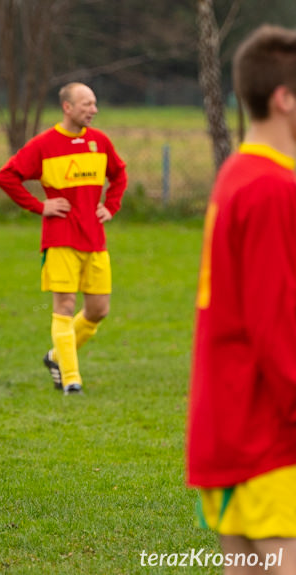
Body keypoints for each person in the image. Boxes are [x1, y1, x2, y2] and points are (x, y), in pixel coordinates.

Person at [187, 25, 296, 573]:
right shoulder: (272, 188)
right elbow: (278, 332)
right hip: (269, 437)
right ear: (284, 98)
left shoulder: (239, 172)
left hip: (230, 423)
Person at [0, 82, 127, 395]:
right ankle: (71, 380)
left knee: (98, 310)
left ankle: (56, 357)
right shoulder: (44, 144)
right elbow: (6, 177)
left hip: (95, 239)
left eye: (95, 103)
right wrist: (40, 206)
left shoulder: (100, 141)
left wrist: (111, 206)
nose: (93, 110)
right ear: (67, 107)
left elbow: (119, 174)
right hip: (60, 239)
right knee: (65, 306)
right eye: (86, 104)